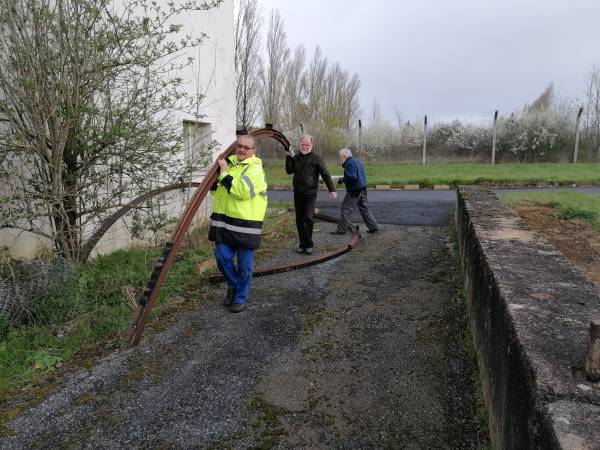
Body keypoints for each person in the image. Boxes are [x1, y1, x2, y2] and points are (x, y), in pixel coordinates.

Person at [208, 134, 268, 313]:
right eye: (239, 146)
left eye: (246, 147)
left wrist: (224, 173)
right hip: (224, 222)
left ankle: (240, 297)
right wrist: (216, 176)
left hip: (245, 225)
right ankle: (233, 285)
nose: (241, 150)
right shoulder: (228, 163)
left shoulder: (255, 169)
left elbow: (241, 192)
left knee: (244, 266)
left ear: (253, 151)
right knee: (221, 256)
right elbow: (217, 190)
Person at [285, 135, 337, 255]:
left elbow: (325, 174)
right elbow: (289, 171)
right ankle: (303, 244)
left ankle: (308, 244)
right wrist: (288, 157)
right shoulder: (296, 157)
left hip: (310, 193)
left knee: (308, 217)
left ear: (312, 146)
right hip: (298, 193)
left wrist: (332, 189)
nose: (304, 147)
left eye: (307, 145)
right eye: (303, 144)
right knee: (299, 219)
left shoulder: (316, 158)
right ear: (300, 145)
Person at [331, 148, 380, 235]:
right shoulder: (356, 161)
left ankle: (341, 230)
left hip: (355, 190)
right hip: (363, 188)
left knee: (345, 209)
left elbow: (352, 176)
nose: (340, 159)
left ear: (345, 156)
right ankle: (374, 227)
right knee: (365, 209)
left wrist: (343, 179)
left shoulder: (348, 163)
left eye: (340, 157)